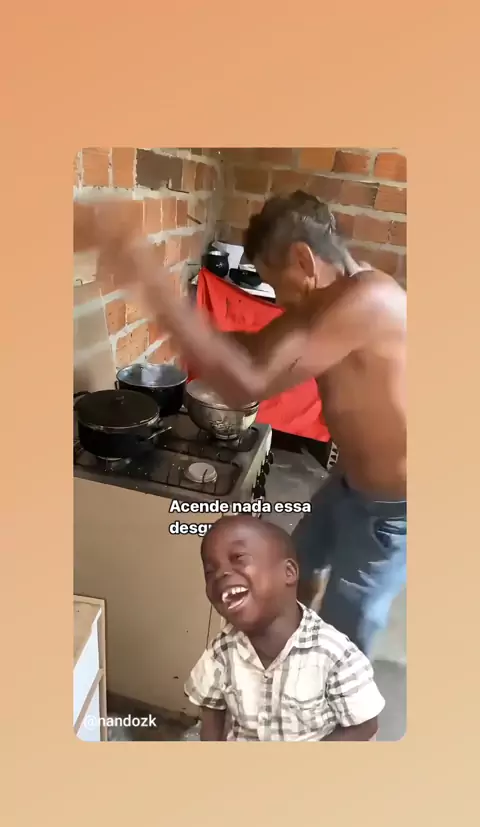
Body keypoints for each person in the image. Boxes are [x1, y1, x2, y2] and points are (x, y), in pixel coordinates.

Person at [76, 189, 406, 657]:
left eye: (276, 284)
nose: (278, 299)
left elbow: (247, 383)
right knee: (297, 565)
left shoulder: (367, 301)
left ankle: (335, 696)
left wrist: (145, 274)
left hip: (392, 508)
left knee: (349, 624)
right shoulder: (327, 300)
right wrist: (192, 329)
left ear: (303, 260)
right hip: (348, 482)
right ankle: (292, 653)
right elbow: (252, 349)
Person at [184, 515, 385, 741]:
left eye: (238, 558)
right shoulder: (221, 652)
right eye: (210, 571)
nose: (221, 574)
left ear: (288, 573)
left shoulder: (335, 655)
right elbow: (212, 713)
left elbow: (365, 725)